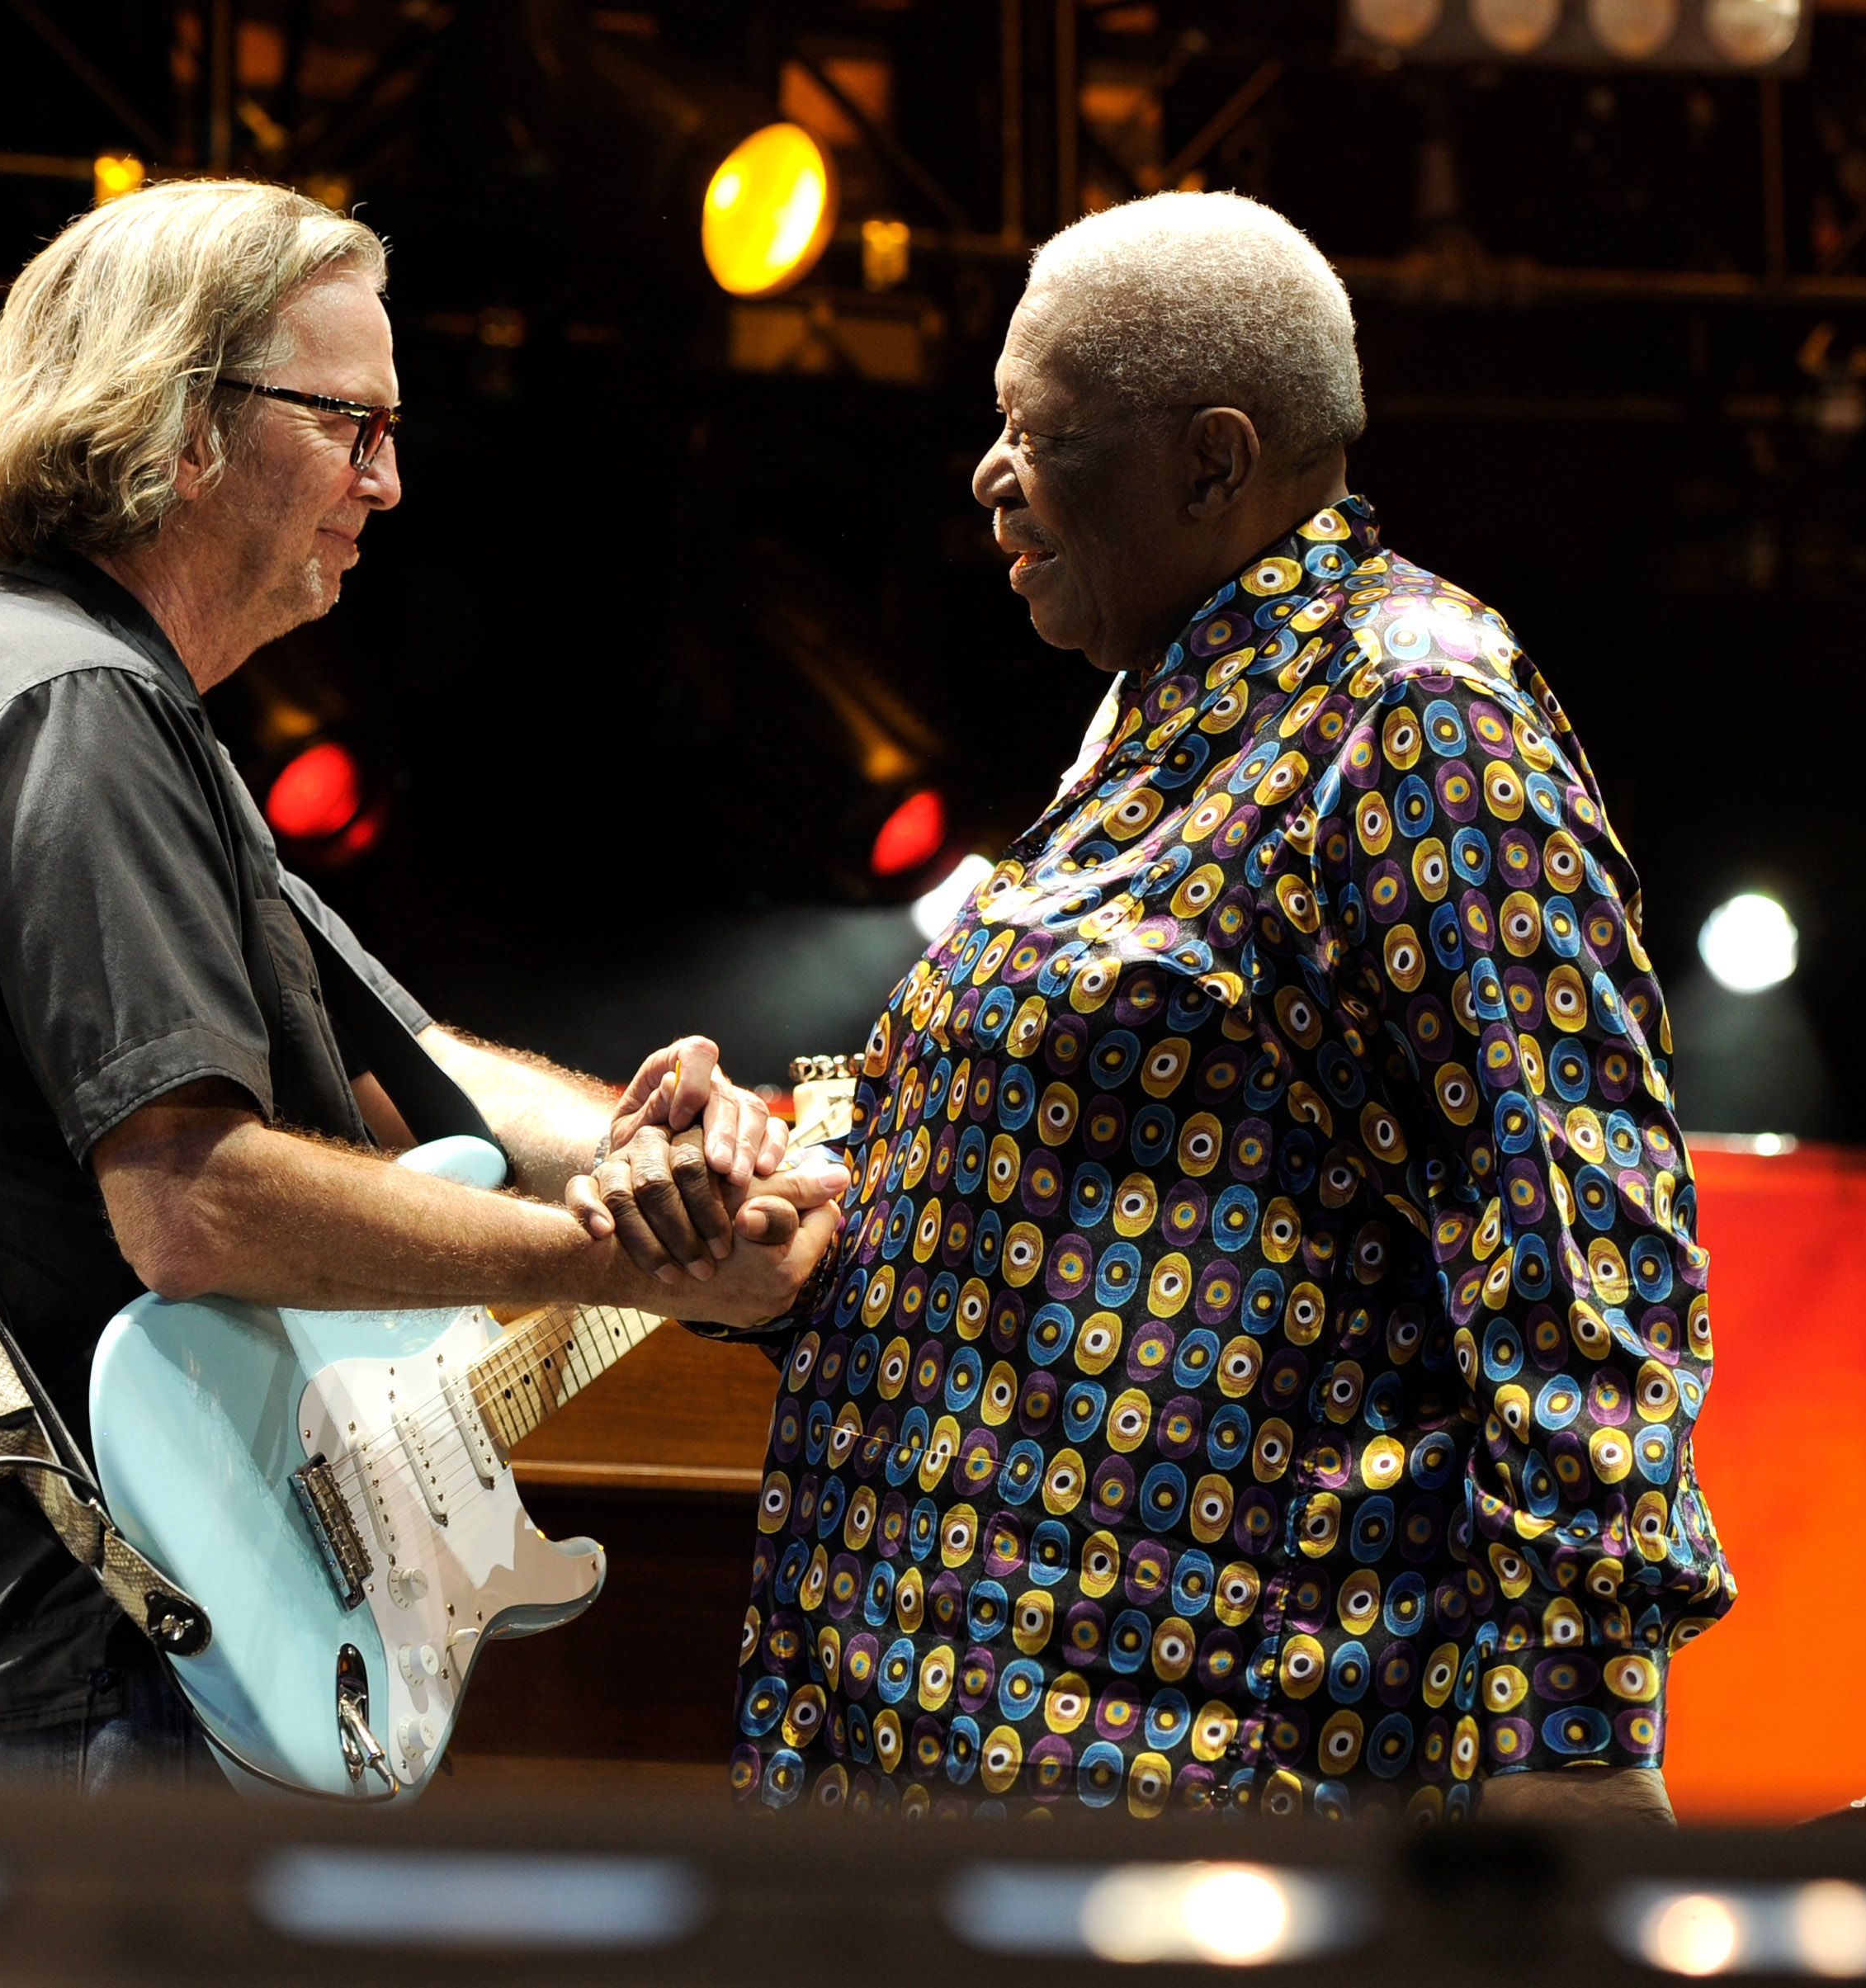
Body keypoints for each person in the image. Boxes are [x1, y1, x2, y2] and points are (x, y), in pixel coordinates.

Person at [696, 191, 1732, 1825]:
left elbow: (1581, 1264)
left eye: (1036, 432)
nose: (987, 473)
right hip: (926, 1758)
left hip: (1195, 1791)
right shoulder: (1154, 717)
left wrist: (1575, 1767)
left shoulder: (1414, 715)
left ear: (1212, 458)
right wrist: (768, 1175)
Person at [0, 179, 841, 1792]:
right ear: (184, 422)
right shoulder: (62, 701)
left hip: (114, 1662)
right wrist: (616, 1258)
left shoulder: (114, 709)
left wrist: (716, 1156)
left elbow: (419, 1069)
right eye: (353, 423)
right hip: (73, 1677)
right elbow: (191, 1203)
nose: (392, 479)